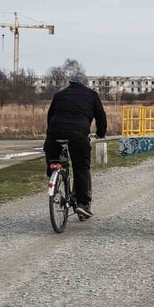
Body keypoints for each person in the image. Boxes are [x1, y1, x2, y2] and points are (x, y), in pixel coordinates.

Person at [43, 73, 107, 219]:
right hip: (78, 133)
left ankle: (53, 172)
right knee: (81, 167)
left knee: (53, 158)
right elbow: (100, 116)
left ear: (70, 83)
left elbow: (50, 115)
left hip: (55, 132)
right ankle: (82, 204)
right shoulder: (91, 95)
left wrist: (51, 133)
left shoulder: (59, 95)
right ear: (85, 83)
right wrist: (101, 133)